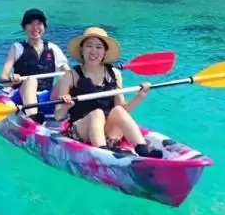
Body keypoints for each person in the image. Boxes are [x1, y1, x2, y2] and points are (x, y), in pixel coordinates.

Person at [53, 26, 162, 158]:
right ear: (82, 49)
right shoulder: (70, 76)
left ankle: (144, 151)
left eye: (99, 47)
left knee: (118, 111)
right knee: (97, 114)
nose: (93, 51)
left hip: (109, 132)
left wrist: (139, 97)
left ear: (105, 52)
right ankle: (103, 154)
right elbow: (58, 116)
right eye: (89, 46)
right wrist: (65, 105)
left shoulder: (115, 74)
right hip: (81, 131)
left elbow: (122, 109)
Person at [0, 8, 68, 119]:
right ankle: (32, 116)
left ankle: (63, 116)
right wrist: (12, 78)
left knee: (66, 79)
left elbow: (68, 72)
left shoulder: (53, 48)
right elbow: (3, 77)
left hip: (46, 98)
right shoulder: (17, 48)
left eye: (39, 24)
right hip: (22, 96)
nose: (35, 28)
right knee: (30, 80)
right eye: (30, 24)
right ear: (24, 27)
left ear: (44, 27)